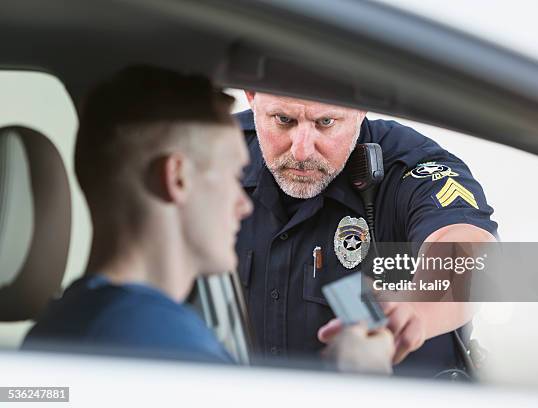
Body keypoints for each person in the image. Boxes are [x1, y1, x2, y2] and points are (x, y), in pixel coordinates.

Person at [22, 66, 394, 373]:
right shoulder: (164, 348)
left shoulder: (64, 325)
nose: (243, 205)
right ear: (177, 178)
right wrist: (363, 381)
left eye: (325, 122)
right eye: (233, 176)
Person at [234, 92, 498, 376]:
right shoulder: (211, 153)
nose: (302, 151)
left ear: (361, 106)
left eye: (325, 122)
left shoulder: (409, 165)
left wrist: (417, 311)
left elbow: (469, 251)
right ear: (251, 95)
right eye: (284, 120)